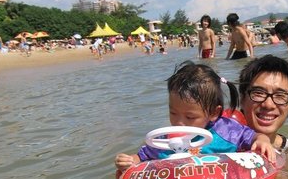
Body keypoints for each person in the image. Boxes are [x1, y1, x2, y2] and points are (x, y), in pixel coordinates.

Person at [112, 60, 276, 173]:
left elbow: (253, 137)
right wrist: (130, 161)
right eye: (173, 113)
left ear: (213, 113)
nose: (179, 123)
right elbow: (143, 157)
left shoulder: (227, 130)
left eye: (190, 117)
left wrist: (262, 140)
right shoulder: (166, 139)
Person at [238, 54, 288, 153]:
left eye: (280, 95)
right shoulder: (219, 141)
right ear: (242, 99)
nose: (268, 105)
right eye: (259, 93)